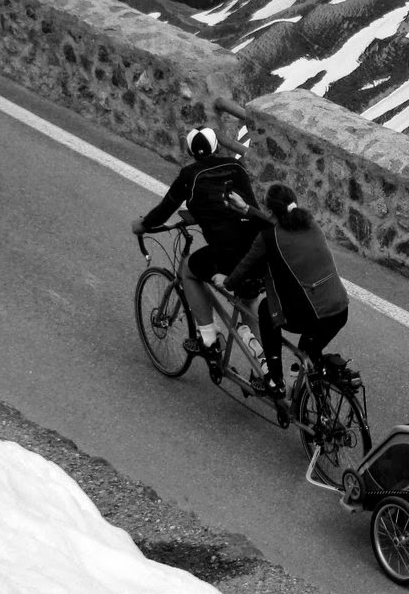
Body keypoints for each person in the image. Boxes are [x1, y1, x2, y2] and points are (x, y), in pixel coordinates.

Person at [132, 124, 265, 358]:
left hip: (227, 252)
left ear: (190, 151)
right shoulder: (236, 166)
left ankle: (210, 340)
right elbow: (234, 201)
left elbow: (164, 210)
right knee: (248, 300)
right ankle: (263, 368)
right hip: (257, 248)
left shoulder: (189, 176)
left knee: (189, 269)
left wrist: (142, 225)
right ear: (217, 147)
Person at [223, 182, 349, 396]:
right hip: (340, 310)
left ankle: (275, 379)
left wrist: (226, 283)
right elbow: (275, 222)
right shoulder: (310, 224)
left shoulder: (268, 237)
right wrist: (247, 209)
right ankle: (310, 394)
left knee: (266, 310)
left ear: (270, 210)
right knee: (308, 352)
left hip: (315, 315)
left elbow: (245, 266)